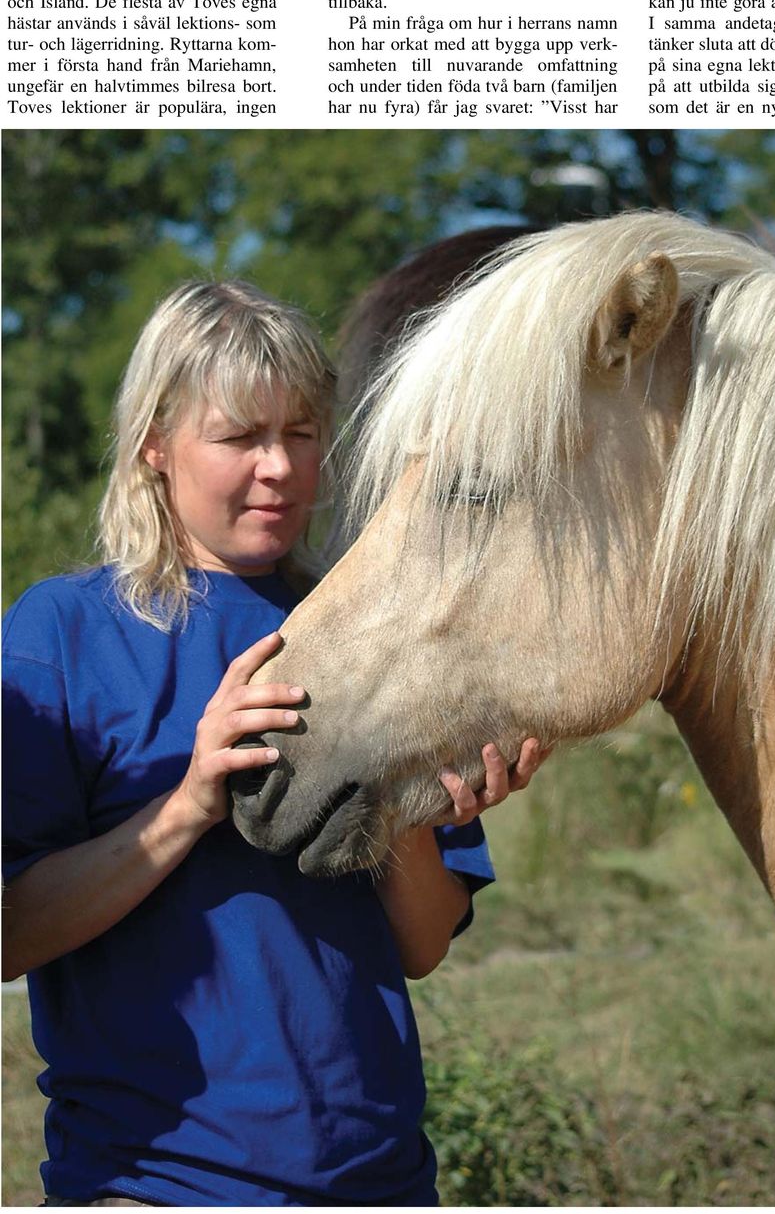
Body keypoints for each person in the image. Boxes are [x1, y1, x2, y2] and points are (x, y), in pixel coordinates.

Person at [2, 280, 545, 1207]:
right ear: (154, 445)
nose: (282, 468)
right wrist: (190, 802)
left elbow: (421, 946)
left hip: (381, 1179)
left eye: (300, 431)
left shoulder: (378, 629)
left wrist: (405, 809)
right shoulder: (60, 635)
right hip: (153, 1184)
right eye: (240, 436)